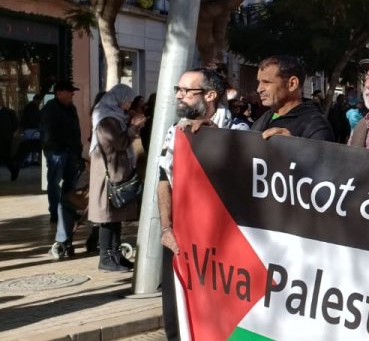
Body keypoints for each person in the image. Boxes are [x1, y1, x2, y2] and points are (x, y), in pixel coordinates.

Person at [158, 68, 249, 340]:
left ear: (210, 95)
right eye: (178, 89)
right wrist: (166, 228)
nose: (179, 95)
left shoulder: (238, 128)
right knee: (177, 316)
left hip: (218, 245)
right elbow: (164, 179)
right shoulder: (176, 130)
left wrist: (214, 139)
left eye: (187, 91)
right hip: (178, 239)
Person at [88, 84, 145, 271]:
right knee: (107, 216)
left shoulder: (116, 116)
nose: (129, 103)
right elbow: (118, 143)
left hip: (117, 170)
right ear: (118, 98)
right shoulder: (106, 119)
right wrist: (133, 128)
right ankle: (106, 257)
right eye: (128, 100)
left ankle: (116, 254)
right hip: (108, 173)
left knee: (116, 216)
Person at [251, 55, 336, 141]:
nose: (259, 89)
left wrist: (293, 146)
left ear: (292, 84)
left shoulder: (316, 126)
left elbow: (321, 154)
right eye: (259, 82)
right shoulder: (264, 118)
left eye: (266, 82)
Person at [42, 81, 83, 256]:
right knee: (54, 182)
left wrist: (78, 150)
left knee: (70, 185)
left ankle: (69, 209)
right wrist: (54, 148)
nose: (72, 95)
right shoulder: (50, 109)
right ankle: (54, 211)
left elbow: (76, 130)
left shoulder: (71, 108)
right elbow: (47, 132)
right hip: (57, 152)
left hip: (71, 153)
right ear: (59, 93)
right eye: (70, 92)